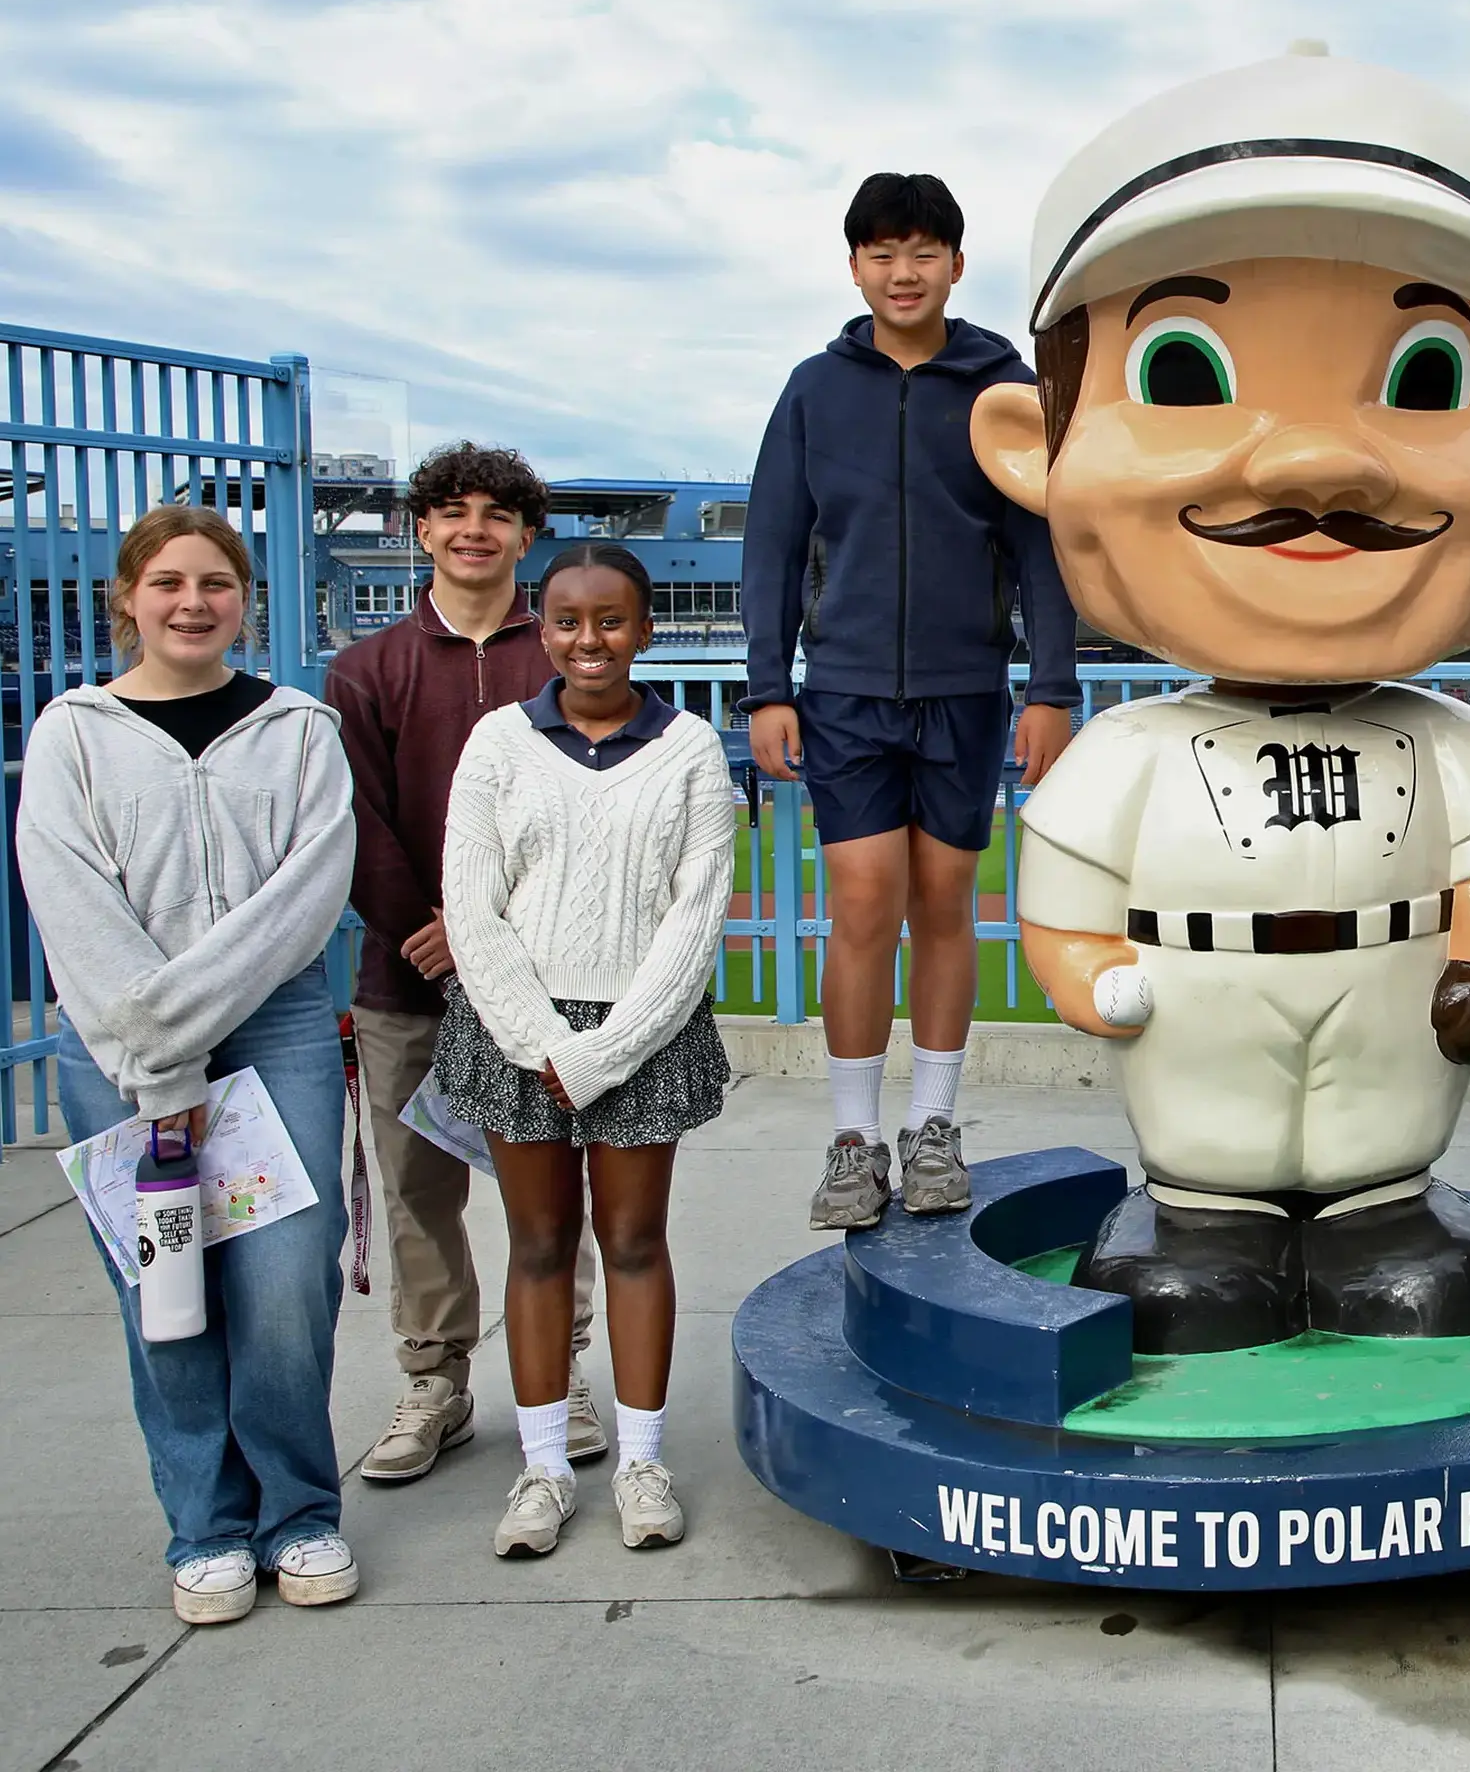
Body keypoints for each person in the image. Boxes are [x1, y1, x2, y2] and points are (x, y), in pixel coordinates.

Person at [968, 44, 1470, 1353]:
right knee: (1207, 1187)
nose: (1316, 459)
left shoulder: (1450, 743)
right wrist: (1084, 972)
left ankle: (1379, 1217)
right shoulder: (1131, 751)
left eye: (1424, 382)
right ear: (1034, 447)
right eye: (1183, 374)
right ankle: (1204, 1220)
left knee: (1387, 1167)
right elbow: (1060, 901)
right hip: (1196, 1010)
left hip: (1391, 998)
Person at [17, 506, 358, 1625]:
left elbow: (306, 895)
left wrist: (190, 1015)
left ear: (245, 599)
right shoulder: (74, 732)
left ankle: (298, 1514)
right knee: (163, 1286)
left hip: (278, 1031)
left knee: (283, 1283)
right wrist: (154, 1042)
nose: (192, 602)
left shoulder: (299, 729)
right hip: (116, 1044)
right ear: (128, 598)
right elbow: (66, 890)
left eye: (216, 582)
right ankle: (206, 1526)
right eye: (167, 582)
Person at [744, 171, 1079, 1234]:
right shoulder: (813, 389)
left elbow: (1043, 546)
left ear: (956, 264)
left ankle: (933, 1126)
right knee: (860, 905)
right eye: (881, 253)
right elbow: (772, 546)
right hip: (841, 692)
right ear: (854, 267)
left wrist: (1051, 689)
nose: (903, 271)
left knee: (945, 907)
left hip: (966, 692)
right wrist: (767, 688)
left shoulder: (999, 385)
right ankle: (853, 1140)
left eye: (923, 251)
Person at [436, 544, 735, 1558]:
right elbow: (472, 909)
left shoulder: (690, 749)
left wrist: (603, 1054)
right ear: (541, 627)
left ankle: (644, 1464)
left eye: (611, 621)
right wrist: (536, 1041)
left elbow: (694, 922)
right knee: (538, 1246)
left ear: (645, 631)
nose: (589, 640)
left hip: (640, 1033)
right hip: (519, 1035)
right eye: (567, 621)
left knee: (636, 1242)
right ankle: (543, 1470)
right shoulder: (497, 745)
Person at [327, 443, 603, 1485]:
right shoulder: (366, 673)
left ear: (526, 536)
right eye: (452, 511)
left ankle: (562, 1367)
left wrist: (498, 935)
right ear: (420, 531)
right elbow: (358, 823)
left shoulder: (565, 662)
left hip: (548, 981)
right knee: (420, 1192)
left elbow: (593, 819)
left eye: (497, 513)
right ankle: (434, 1381)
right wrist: (431, 930)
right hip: (408, 978)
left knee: (551, 1190)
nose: (474, 529)